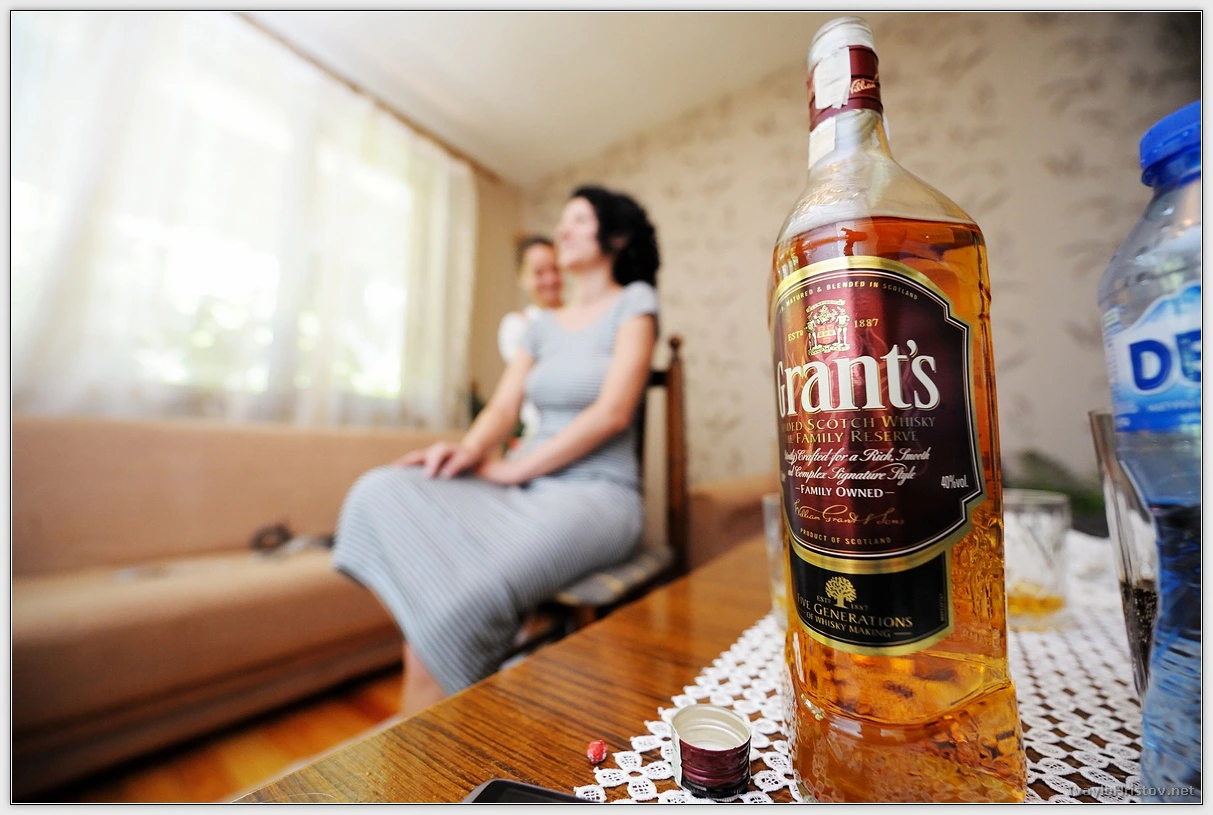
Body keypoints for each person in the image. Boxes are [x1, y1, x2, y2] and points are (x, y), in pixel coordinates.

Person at [332, 184, 661, 717]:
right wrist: (465, 450)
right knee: (381, 488)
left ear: (616, 237)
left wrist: (514, 469)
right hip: (529, 485)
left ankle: (433, 731)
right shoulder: (540, 327)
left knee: (453, 612)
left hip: (599, 496)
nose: (563, 229)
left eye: (579, 219)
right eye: (564, 219)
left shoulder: (634, 302)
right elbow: (505, 408)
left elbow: (613, 413)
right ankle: (431, 725)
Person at [497, 236, 561, 443]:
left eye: (555, 269)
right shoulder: (518, 325)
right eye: (539, 273)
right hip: (540, 435)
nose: (550, 279)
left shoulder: (583, 318)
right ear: (522, 278)